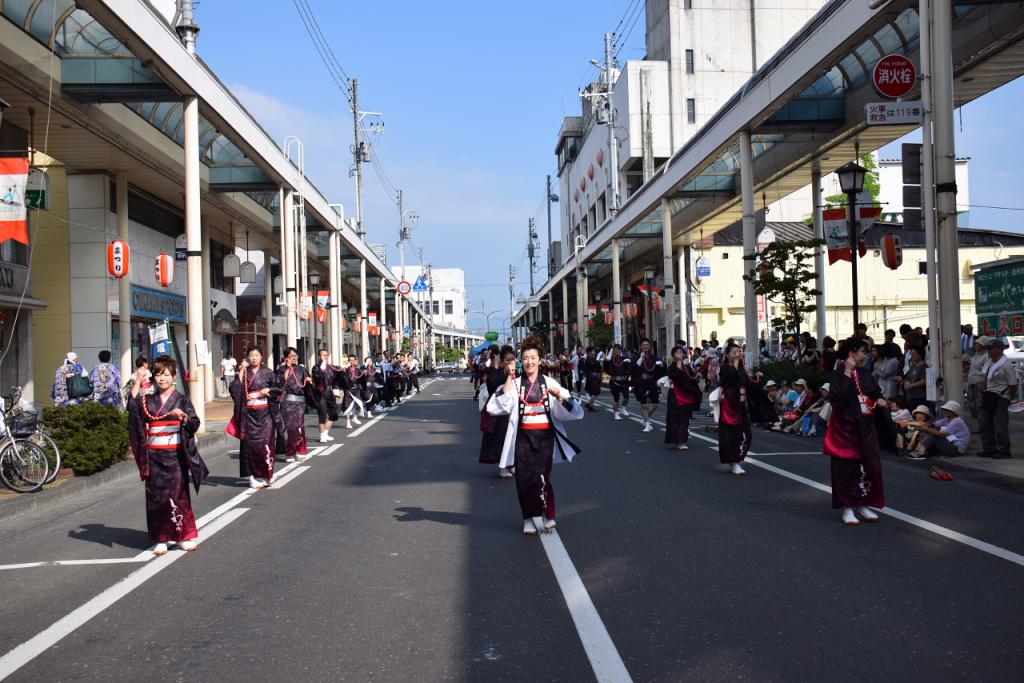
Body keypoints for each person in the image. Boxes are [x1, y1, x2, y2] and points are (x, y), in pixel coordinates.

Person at [486, 336, 583, 535]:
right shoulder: (515, 383)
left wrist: (559, 397)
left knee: (542, 477)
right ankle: (528, 518)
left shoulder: (548, 382)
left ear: (540, 360)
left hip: (544, 436)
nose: (529, 362)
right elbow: (498, 406)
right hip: (522, 437)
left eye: (533, 357)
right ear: (521, 360)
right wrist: (508, 378)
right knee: (523, 479)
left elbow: (570, 408)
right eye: (526, 358)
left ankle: (548, 515)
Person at [127, 355, 208, 555]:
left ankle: (184, 535)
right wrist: (137, 381)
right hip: (154, 455)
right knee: (156, 497)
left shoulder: (181, 399)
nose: (162, 378)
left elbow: (195, 424)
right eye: (158, 375)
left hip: (176, 454)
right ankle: (161, 537)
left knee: (179, 494)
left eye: (165, 374)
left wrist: (184, 417)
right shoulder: (148, 400)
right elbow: (133, 409)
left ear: (173, 376)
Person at [824, 337, 887, 525]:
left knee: (870, 465)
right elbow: (837, 396)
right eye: (863, 351)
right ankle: (848, 507)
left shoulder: (865, 373)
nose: (866, 355)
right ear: (852, 353)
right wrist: (847, 372)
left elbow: (874, 391)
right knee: (847, 467)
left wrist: (880, 399)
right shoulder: (839, 372)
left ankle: (863, 503)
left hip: (865, 426)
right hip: (845, 427)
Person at [230, 347, 280, 489]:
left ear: (261, 357)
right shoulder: (244, 373)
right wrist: (240, 370)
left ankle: (267, 474)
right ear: (247, 358)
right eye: (251, 355)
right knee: (250, 446)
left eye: (256, 355)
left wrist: (269, 390)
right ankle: (253, 476)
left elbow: (279, 389)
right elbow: (235, 389)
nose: (254, 358)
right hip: (249, 415)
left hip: (265, 414)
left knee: (266, 444)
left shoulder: (268, 372)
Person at [717, 342, 763, 475]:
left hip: (741, 405)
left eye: (739, 351)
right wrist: (736, 364)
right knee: (732, 435)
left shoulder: (742, 368)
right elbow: (728, 379)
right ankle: (735, 462)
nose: (737, 354)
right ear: (727, 355)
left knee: (747, 434)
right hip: (729, 406)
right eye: (734, 352)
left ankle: (737, 459)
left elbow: (748, 383)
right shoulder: (725, 368)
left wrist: (757, 378)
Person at [979, 337, 1018, 459]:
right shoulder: (989, 363)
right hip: (989, 394)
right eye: (988, 349)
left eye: (991, 349)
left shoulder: (1006, 365)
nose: (989, 351)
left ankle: (1004, 450)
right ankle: (989, 448)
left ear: (1000, 350)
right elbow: (985, 378)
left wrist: (1008, 398)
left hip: (1001, 395)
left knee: (999, 424)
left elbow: (1013, 384)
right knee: (984, 422)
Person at [479, 346, 515, 477]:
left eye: (513, 360)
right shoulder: (494, 372)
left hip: (513, 409)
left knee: (514, 438)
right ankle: (503, 466)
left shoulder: (516, 371)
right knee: (501, 438)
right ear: (501, 360)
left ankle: (511, 464)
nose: (511, 363)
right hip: (499, 412)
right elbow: (492, 387)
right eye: (508, 360)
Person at [276, 346, 312, 463]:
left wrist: (309, 381)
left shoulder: (302, 369)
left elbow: (309, 381)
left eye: (295, 356)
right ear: (286, 358)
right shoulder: (281, 369)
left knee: (299, 426)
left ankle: (300, 450)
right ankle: (289, 452)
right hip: (288, 402)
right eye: (291, 356)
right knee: (289, 427)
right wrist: (288, 367)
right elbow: (280, 383)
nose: (294, 358)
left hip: (300, 402)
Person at [665, 345, 701, 451]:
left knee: (686, 418)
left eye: (681, 352)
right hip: (675, 395)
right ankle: (677, 440)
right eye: (677, 352)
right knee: (676, 418)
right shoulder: (671, 367)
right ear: (673, 355)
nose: (680, 354)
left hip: (686, 395)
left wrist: (696, 375)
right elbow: (675, 375)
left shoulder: (687, 366)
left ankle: (683, 439)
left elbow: (692, 377)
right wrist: (679, 363)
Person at [632, 339, 664, 433]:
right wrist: (640, 359)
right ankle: (647, 424)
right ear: (640, 346)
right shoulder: (637, 357)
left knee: (656, 403)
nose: (645, 346)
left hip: (651, 382)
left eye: (647, 345)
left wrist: (662, 365)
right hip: (641, 383)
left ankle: (646, 418)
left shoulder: (653, 357)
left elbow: (660, 369)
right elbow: (633, 369)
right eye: (644, 345)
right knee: (644, 405)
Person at [312, 348, 340, 443]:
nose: (325, 356)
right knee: (322, 415)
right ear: (319, 356)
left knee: (334, 414)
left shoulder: (331, 368)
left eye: (326, 355)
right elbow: (316, 377)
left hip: (329, 392)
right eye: (323, 355)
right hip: (320, 393)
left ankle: (326, 433)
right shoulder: (316, 368)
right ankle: (322, 435)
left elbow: (336, 380)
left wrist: (336, 390)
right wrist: (321, 368)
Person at [604, 344, 633, 420]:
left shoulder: (624, 359)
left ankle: (623, 408)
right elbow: (606, 366)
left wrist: (629, 362)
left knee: (626, 396)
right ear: (613, 350)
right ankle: (616, 414)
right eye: (617, 349)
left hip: (624, 381)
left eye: (620, 349)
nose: (618, 351)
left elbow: (630, 368)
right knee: (616, 398)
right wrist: (609, 356)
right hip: (614, 381)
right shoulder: (610, 359)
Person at [966, 337, 990, 422]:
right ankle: (976, 422)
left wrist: (985, 383)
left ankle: (982, 423)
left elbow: (986, 371)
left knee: (979, 404)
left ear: (983, 345)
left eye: (978, 344)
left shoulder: (986, 356)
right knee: (971, 404)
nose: (976, 345)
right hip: (971, 381)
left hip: (979, 382)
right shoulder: (976, 354)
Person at [338, 354, 365, 429]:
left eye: (353, 360)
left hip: (356, 389)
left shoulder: (358, 370)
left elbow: (361, 379)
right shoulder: (345, 370)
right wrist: (344, 370)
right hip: (348, 390)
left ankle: (355, 417)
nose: (351, 362)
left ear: (355, 361)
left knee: (360, 404)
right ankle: (348, 422)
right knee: (348, 407)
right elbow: (341, 378)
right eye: (350, 360)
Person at [580, 347, 603, 412]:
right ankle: (590, 405)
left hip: (592, 377)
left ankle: (590, 404)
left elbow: (599, 367)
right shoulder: (588, 359)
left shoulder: (590, 359)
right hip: (592, 378)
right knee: (595, 392)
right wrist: (598, 361)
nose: (594, 352)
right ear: (589, 352)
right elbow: (596, 366)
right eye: (593, 351)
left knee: (595, 392)